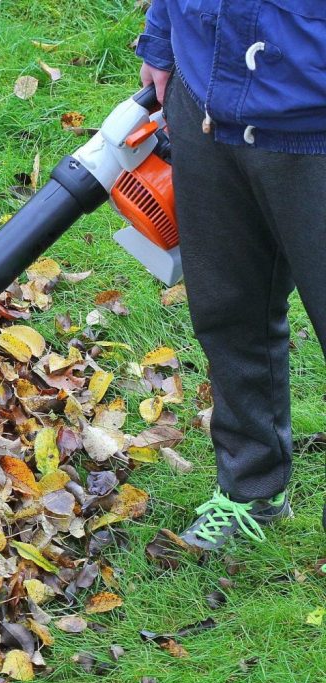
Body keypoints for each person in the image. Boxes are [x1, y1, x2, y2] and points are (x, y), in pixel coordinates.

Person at [136, 1, 326, 549]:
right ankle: (252, 490)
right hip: (207, 100)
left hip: (314, 121)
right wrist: (162, 37)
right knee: (227, 309)